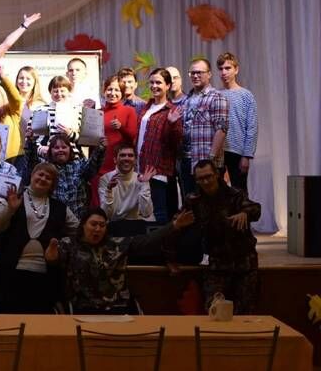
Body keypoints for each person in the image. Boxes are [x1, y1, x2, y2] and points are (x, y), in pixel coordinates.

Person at [44, 207, 194, 314]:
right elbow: (55, 259)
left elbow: (147, 241)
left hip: (118, 307)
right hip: (82, 308)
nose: (98, 229)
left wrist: (174, 226)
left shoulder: (117, 244)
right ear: (83, 225)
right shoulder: (69, 244)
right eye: (93, 224)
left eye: (102, 225)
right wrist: (51, 257)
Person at [0, 163, 78, 314]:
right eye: (40, 174)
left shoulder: (60, 207)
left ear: (52, 184)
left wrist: (62, 245)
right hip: (12, 273)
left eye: (48, 178)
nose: (43, 179)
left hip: (45, 276)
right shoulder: (13, 199)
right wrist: (10, 209)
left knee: (40, 321)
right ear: (32, 175)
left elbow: (80, 231)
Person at [186, 160, 261, 313]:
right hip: (217, 265)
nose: (205, 182)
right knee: (213, 309)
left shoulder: (235, 194)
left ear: (217, 175)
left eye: (208, 176)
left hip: (244, 264)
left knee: (245, 312)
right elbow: (178, 223)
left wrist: (245, 213)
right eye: (201, 179)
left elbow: (255, 209)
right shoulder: (194, 200)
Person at [137, 68, 184, 221]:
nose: (154, 86)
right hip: (142, 168)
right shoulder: (146, 107)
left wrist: (172, 123)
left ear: (168, 86)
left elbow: (176, 143)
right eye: (151, 82)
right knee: (144, 214)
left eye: (158, 82)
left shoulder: (172, 110)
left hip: (158, 170)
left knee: (160, 214)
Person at [180, 59, 228, 198]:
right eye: (192, 73)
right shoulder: (187, 99)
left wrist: (211, 159)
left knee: (211, 202)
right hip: (187, 160)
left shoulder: (217, 97)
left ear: (209, 74)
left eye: (199, 72)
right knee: (190, 201)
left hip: (206, 161)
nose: (195, 76)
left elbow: (222, 129)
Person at [31, 133, 105, 220]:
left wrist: (101, 148)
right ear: (50, 151)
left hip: (79, 218)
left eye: (64, 147)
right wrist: (31, 142)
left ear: (70, 150)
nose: (60, 150)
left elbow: (93, 166)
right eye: (56, 148)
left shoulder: (80, 164)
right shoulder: (46, 168)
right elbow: (32, 161)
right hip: (55, 219)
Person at [217, 52, 258, 190]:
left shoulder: (246, 95)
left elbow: (252, 127)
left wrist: (247, 155)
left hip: (237, 151)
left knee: (239, 192)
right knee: (219, 192)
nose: (224, 72)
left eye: (228, 68)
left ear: (236, 69)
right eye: (221, 69)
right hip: (219, 151)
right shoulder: (216, 95)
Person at [98, 75, 138, 190]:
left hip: (121, 165)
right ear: (104, 91)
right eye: (109, 89)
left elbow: (133, 137)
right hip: (100, 164)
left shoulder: (129, 111)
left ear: (122, 93)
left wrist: (121, 127)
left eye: (117, 90)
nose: (112, 93)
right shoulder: (97, 112)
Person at [99, 145, 155, 221]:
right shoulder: (105, 179)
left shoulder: (141, 179)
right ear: (115, 160)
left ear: (135, 160)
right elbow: (105, 214)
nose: (126, 158)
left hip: (135, 224)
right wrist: (109, 190)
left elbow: (146, 213)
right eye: (122, 155)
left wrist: (145, 184)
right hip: (113, 224)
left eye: (130, 155)